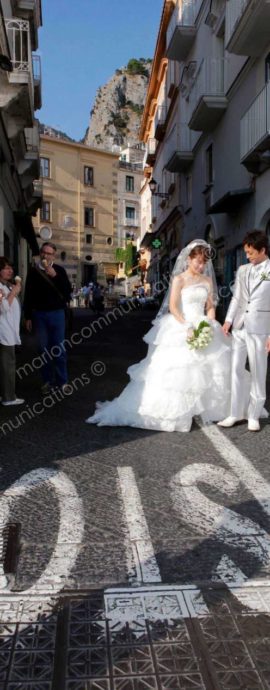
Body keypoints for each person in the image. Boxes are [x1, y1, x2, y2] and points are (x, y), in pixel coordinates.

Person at [86, 240, 231, 432]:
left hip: (202, 323)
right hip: (182, 323)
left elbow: (210, 306)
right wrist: (187, 326)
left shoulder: (206, 281)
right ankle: (176, 411)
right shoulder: (179, 279)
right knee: (176, 371)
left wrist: (209, 324)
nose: (200, 265)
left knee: (209, 368)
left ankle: (205, 408)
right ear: (188, 259)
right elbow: (173, 307)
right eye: (197, 261)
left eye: (203, 262)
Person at [218, 230, 270, 432]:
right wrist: (228, 320)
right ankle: (234, 413)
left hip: (260, 328)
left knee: (258, 372)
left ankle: (254, 415)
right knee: (236, 370)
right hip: (240, 327)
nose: (247, 256)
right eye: (246, 252)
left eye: (251, 253)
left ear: (262, 250)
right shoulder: (242, 270)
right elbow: (237, 298)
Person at [24, 242, 72, 394]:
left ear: (54, 256)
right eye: (44, 252)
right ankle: (47, 382)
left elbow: (67, 293)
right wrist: (28, 316)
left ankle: (62, 381)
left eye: (49, 253)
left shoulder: (59, 270)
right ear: (40, 253)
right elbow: (28, 294)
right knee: (43, 350)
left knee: (59, 349)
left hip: (57, 313)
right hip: (39, 315)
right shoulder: (33, 272)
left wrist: (55, 276)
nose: (45, 255)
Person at [0, 257, 24, 406]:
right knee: (7, 365)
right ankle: (8, 398)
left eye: (11, 267)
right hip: (4, 332)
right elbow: (2, 308)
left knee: (4, 365)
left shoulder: (6, 286)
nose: (10, 270)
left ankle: (4, 395)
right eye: (6, 268)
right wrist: (14, 292)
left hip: (7, 330)